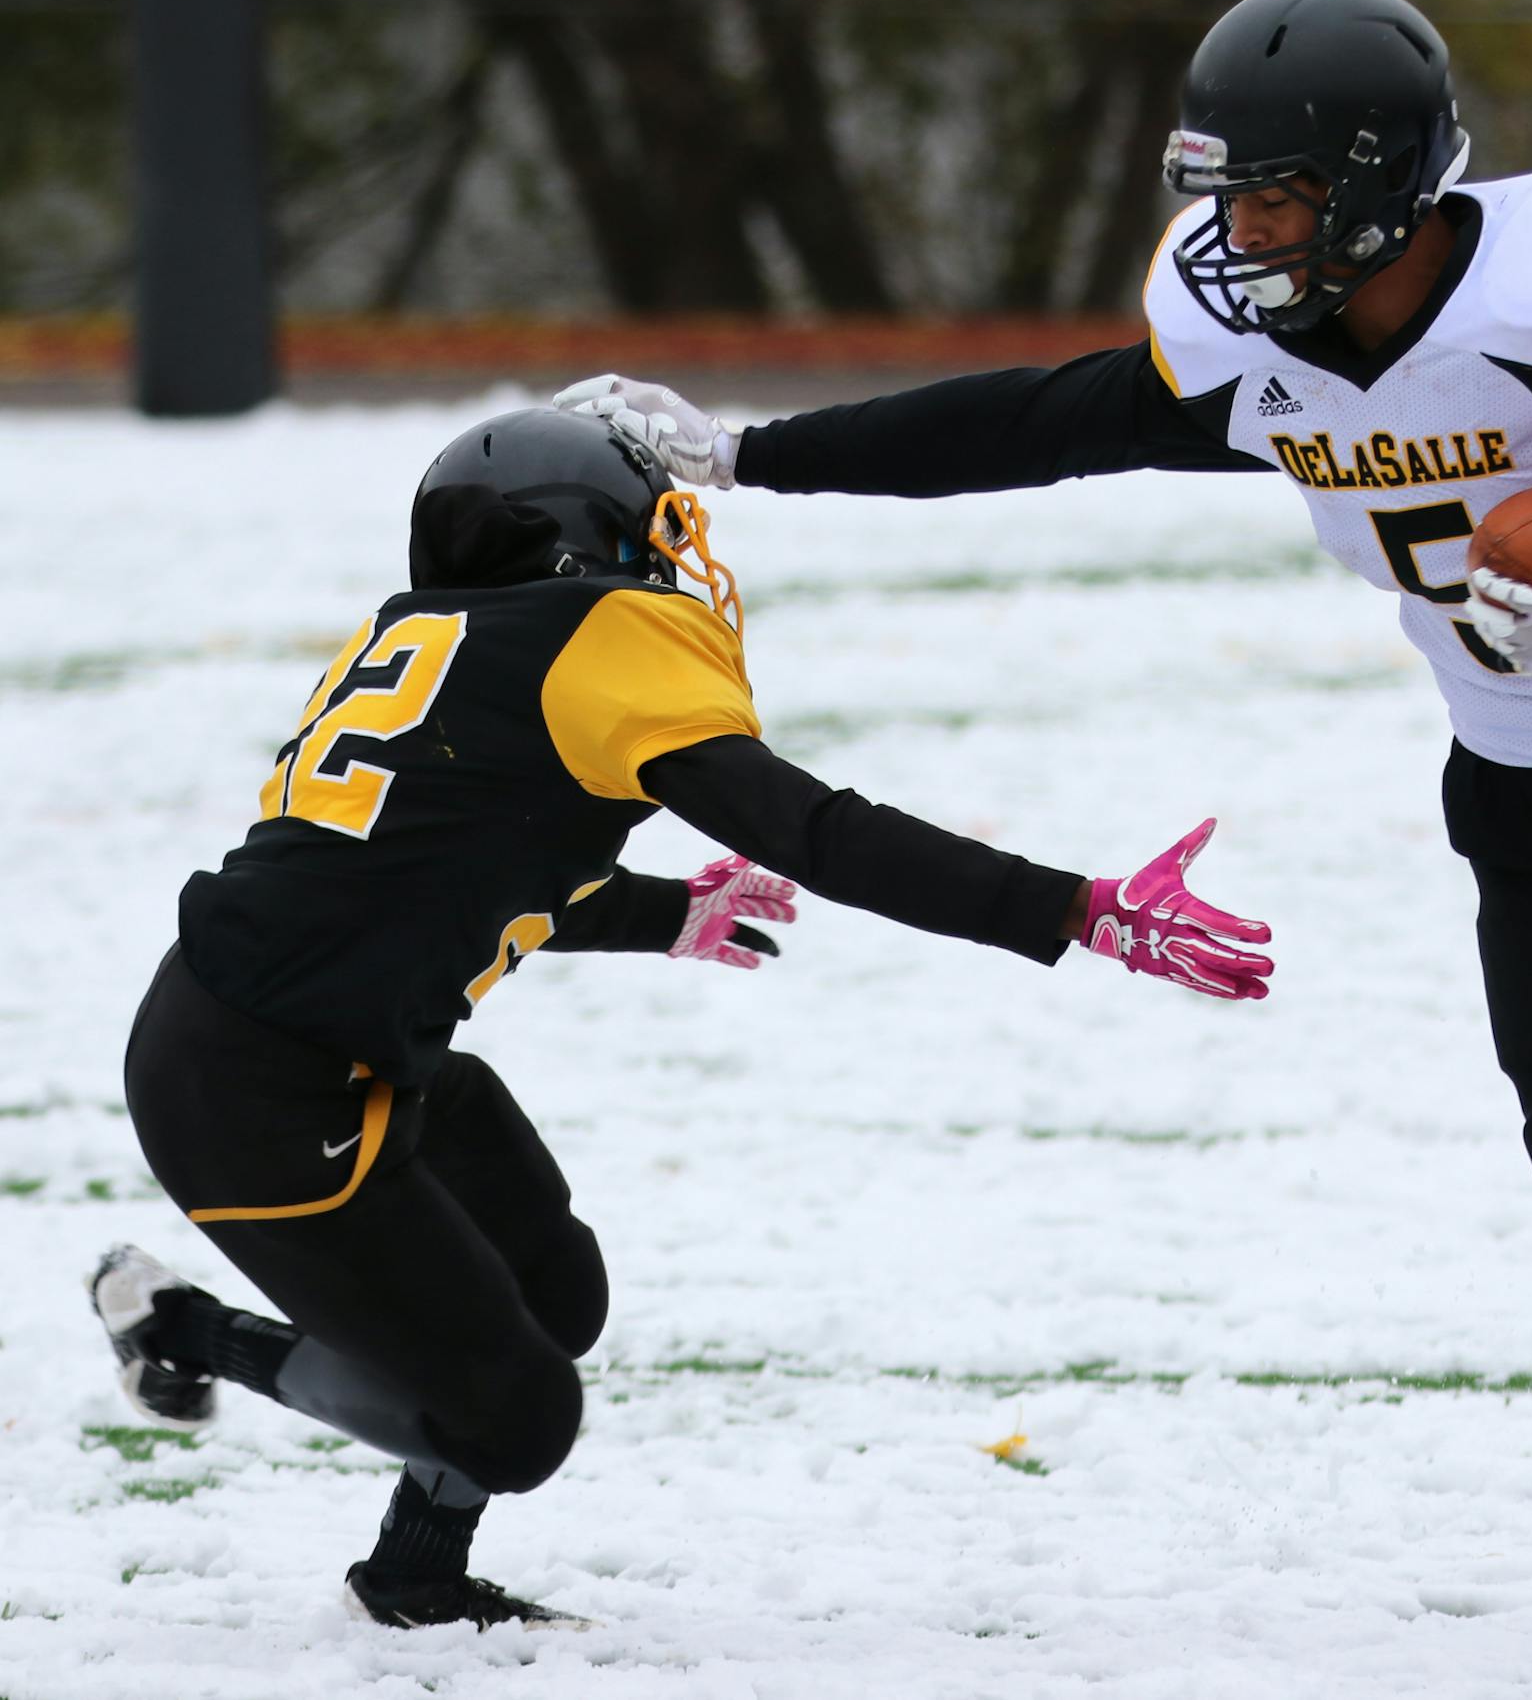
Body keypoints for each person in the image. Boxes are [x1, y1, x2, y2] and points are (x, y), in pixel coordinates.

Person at [555, 0, 1532, 1655]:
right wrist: (746, 454)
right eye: (1227, 192)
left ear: (1382, 186)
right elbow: (1037, 421)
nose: (1239, 230)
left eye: (1277, 195)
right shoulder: (1264, 349)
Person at [91, 406, 1271, 1630]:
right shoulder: (591, 637)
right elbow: (815, 829)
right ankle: (185, 1328)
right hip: (252, 1097)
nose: (672, 553)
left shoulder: (445, 635)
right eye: (654, 525)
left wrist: (664, 914)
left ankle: (411, 1575)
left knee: (554, 1296)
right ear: (580, 538)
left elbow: (462, 866)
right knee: (517, 1419)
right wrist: (1071, 907)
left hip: (307, 1045)